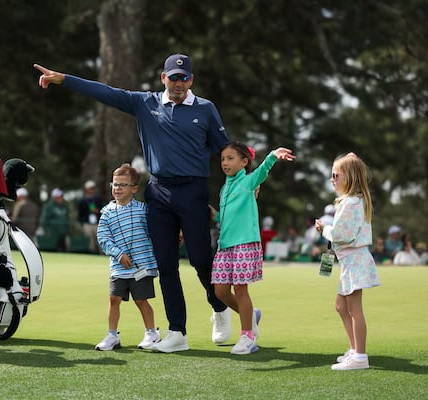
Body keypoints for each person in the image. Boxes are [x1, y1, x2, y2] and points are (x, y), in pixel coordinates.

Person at [35, 54, 246, 352]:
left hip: (193, 190)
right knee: (166, 264)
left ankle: (219, 307)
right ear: (163, 78)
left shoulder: (206, 109)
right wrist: (64, 79)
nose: (178, 83)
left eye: (184, 78)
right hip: (158, 191)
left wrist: (241, 187)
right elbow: (105, 92)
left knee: (201, 260)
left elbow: (226, 152)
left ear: (191, 81)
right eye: (173, 77)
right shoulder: (145, 103)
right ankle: (178, 333)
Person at [209, 143, 295, 354]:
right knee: (220, 291)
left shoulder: (248, 182)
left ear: (244, 162)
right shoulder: (224, 188)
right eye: (222, 159)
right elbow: (227, 216)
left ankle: (247, 336)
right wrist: (216, 215)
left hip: (245, 244)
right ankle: (252, 314)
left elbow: (263, 170)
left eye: (230, 158)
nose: (225, 163)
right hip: (225, 246)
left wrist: (273, 155)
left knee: (240, 290)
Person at [315, 153, 380, 370]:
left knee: (354, 309)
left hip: (355, 260)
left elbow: (343, 235)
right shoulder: (350, 201)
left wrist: (325, 229)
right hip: (349, 260)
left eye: (336, 175)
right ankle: (354, 350)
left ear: (349, 177)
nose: (332, 179)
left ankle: (360, 357)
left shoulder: (351, 203)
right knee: (340, 306)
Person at [95, 164, 160, 351]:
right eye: (115, 184)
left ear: (134, 188)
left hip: (142, 265)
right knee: (114, 299)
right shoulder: (106, 212)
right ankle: (112, 336)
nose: (117, 188)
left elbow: (155, 232)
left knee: (141, 300)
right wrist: (119, 254)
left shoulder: (143, 210)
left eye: (123, 185)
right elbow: (103, 237)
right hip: (118, 266)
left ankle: (151, 333)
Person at [78, 180, 105, 253]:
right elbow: (80, 212)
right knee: (89, 240)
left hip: (97, 223)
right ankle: (91, 252)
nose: (92, 190)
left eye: (93, 188)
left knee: (99, 238)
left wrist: (97, 211)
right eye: (90, 188)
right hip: (87, 223)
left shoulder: (98, 199)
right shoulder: (83, 200)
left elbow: (102, 209)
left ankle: (101, 253)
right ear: (86, 189)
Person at [39, 188, 69, 252]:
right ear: (54, 197)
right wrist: (47, 231)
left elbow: (66, 218)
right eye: (60, 196)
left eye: (62, 196)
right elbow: (44, 220)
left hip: (63, 234)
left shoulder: (64, 206)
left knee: (63, 251)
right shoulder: (49, 206)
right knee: (53, 251)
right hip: (53, 234)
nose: (61, 198)